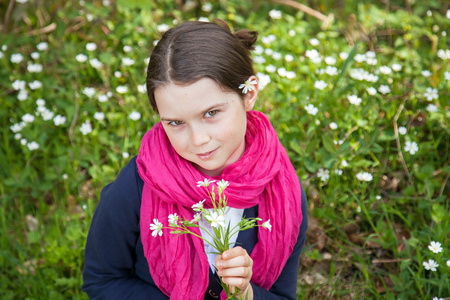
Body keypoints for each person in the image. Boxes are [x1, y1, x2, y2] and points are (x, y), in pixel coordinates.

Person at [82, 19, 308, 300]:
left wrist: (248, 294)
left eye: (211, 113)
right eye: (176, 122)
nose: (198, 139)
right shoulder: (136, 185)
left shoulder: (283, 194)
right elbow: (102, 280)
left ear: (249, 93)